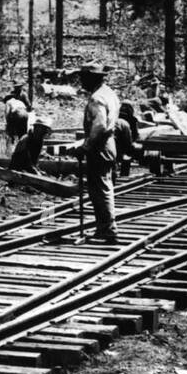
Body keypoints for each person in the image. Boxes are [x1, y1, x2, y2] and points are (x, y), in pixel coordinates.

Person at [75, 61, 121, 243]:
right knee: (104, 185)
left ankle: (107, 229)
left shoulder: (97, 98)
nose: (80, 81)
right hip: (109, 144)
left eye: (83, 78)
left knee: (100, 188)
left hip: (100, 146)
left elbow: (100, 125)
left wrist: (86, 146)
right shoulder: (109, 93)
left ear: (90, 78)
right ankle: (105, 227)